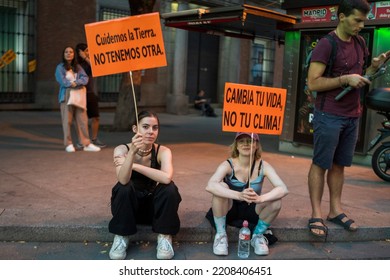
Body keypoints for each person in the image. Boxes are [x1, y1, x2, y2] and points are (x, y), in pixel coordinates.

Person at [306, 0, 390, 238]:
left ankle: (335, 210)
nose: (361, 25)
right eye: (357, 20)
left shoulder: (360, 42)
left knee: (339, 165)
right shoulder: (326, 44)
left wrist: (373, 68)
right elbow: (313, 82)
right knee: (321, 163)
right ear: (342, 16)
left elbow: (362, 77)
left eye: (364, 21)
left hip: (352, 115)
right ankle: (316, 213)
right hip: (328, 114)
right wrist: (345, 79)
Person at [108, 111, 182, 260]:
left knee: (170, 189)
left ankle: (165, 237)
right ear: (135, 129)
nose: (151, 132)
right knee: (124, 187)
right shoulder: (121, 150)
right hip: (129, 208)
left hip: (153, 210)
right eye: (146, 127)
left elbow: (166, 177)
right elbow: (122, 179)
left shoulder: (163, 151)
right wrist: (131, 154)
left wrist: (135, 166)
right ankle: (121, 237)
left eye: (155, 128)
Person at [205, 132, 288, 256]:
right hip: (230, 209)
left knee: (276, 201)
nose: (246, 144)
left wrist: (261, 199)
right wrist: (238, 195)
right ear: (236, 146)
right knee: (220, 187)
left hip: (252, 209)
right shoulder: (228, 164)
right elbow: (210, 185)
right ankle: (221, 235)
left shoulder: (263, 165)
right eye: (241, 141)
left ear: (256, 145)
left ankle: (257, 236)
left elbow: (283, 188)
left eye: (250, 141)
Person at [54, 46, 101, 153]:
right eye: (66, 52)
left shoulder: (78, 67)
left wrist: (77, 83)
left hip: (79, 95)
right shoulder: (60, 67)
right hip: (66, 96)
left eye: (71, 52)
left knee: (82, 120)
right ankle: (69, 143)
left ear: (74, 54)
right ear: (63, 54)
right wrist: (73, 83)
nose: (69, 54)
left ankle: (86, 143)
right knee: (67, 121)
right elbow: (62, 80)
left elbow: (85, 78)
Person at [75, 43, 106, 148]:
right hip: (80, 93)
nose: (88, 52)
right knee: (80, 118)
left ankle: (94, 139)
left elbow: (97, 69)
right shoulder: (76, 64)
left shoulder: (90, 62)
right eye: (86, 50)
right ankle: (81, 140)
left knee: (96, 117)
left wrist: (86, 58)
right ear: (80, 52)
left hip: (91, 93)